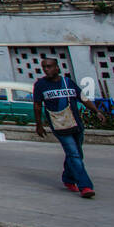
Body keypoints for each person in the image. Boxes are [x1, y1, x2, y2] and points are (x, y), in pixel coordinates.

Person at [33, 56, 102, 198]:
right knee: (74, 154)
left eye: (50, 66)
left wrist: (96, 111)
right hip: (59, 126)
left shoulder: (68, 82)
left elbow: (82, 98)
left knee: (77, 154)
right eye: (44, 67)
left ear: (57, 67)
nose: (47, 69)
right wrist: (39, 125)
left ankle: (68, 178)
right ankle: (85, 186)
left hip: (76, 124)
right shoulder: (40, 85)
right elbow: (37, 105)